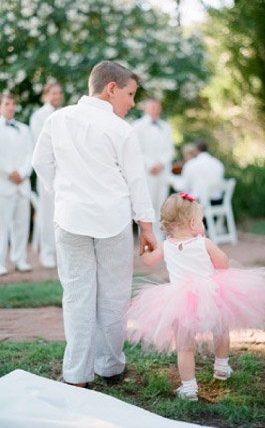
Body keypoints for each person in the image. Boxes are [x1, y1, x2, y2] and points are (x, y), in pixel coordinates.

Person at [32, 61, 156, 387]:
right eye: (129, 94)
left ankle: (76, 375)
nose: (132, 103)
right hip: (111, 223)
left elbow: (39, 162)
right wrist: (146, 228)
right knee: (113, 296)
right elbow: (136, 182)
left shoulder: (57, 120)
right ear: (111, 88)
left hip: (69, 219)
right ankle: (111, 368)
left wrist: (61, 192)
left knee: (77, 296)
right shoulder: (121, 130)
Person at [127, 192, 265, 401]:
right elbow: (223, 263)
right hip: (210, 297)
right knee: (221, 328)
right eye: (201, 220)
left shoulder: (166, 245)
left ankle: (189, 387)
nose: (202, 224)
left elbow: (149, 260)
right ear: (192, 223)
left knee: (184, 347)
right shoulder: (203, 243)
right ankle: (221, 366)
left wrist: (143, 251)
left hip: (179, 302)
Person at [30, 81, 63, 268]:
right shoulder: (38, 116)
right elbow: (39, 146)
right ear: (45, 95)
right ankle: (47, 252)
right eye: (53, 93)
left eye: (59, 93)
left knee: (62, 213)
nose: (57, 96)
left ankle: (60, 252)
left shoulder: (65, 114)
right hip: (46, 172)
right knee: (47, 213)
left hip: (64, 173)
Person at [0, 93, 33, 276]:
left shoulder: (24, 129)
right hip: (3, 184)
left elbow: (30, 154)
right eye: (7, 104)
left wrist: (22, 172)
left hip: (22, 184)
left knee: (22, 224)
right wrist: (9, 172)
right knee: (1, 226)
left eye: (13, 104)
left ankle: (19, 259)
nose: (11, 107)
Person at [132, 99, 174, 241]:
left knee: (161, 205)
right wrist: (151, 165)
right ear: (146, 109)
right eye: (152, 107)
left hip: (162, 173)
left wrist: (161, 163)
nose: (155, 110)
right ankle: (147, 239)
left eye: (157, 107)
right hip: (147, 173)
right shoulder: (137, 126)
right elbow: (136, 150)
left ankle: (160, 238)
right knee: (146, 206)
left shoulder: (166, 127)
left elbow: (169, 150)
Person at [170, 140, 225, 206]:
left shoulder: (191, 164)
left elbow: (184, 187)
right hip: (217, 201)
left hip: (199, 203)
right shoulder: (218, 163)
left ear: (196, 150)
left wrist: (173, 183)